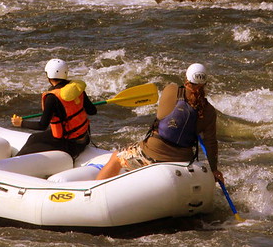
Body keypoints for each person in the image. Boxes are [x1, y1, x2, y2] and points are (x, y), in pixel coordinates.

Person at [95, 63, 223, 183]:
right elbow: (211, 143)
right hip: (183, 159)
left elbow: (161, 115)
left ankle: (94, 192)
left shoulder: (171, 90)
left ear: (186, 79)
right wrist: (214, 169)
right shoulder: (210, 111)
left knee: (116, 157)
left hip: (153, 153)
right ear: (205, 83)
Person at [10, 58, 97, 158]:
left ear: (48, 76)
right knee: (35, 138)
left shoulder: (52, 98)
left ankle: (13, 162)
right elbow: (92, 111)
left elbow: (42, 125)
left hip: (69, 143)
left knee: (33, 138)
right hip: (84, 139)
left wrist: (20, 123)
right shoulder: (76, 89)